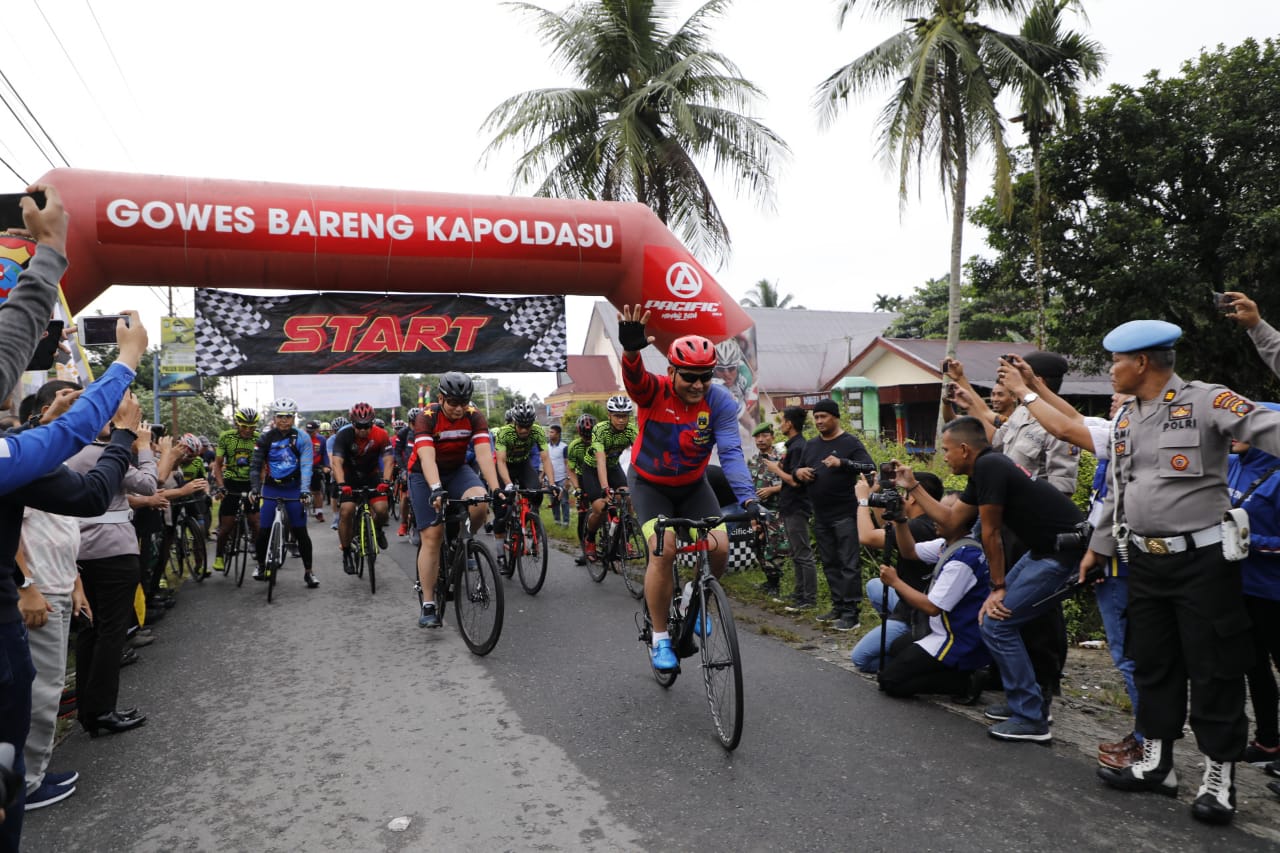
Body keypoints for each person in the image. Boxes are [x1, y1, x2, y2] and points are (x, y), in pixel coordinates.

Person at [1083, 319, 1280, 825]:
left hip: (1204, 563)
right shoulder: (1127, 417)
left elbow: (1269, 431)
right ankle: (1157, 765)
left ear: (1142, 363)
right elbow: (1118, 493)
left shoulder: (1209, 401)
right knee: (1154, 663)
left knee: (1214, 669)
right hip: (1145, 561)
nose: (1111, 371)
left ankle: (1219, 777)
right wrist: (1099, 546)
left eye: (1116, 362)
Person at [993, 358, 1145, 768]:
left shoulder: (1136, 436)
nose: (1114, 398)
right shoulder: (1119, 429)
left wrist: (1026, 391)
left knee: (1129, 653)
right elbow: (1073, 416)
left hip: (1123, 560)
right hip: (1102, 553)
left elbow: (1063, 428)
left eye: (1123, 397)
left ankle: (1148, 742)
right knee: (1126, 650)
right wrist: (1033, 387)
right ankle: (1146, 738)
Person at [895, 416, 1085, 744]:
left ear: (965, 449)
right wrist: (912, 486)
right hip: (1041, 550)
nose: (944, 457)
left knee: (998, 622)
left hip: (1063, 553)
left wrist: (998, 588)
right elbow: (952, 519)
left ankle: (1032, 718)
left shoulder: (991, 467)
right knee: (994, 619)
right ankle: (1023, 702)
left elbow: (991, 532)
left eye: (947, 450)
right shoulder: (983, 469)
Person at [615, 305, 760, 673]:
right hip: (649, 484)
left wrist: (748, 498)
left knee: (720, 546)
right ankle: (661, 638)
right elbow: (635, 383)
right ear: (672, 372)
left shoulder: (720, 402)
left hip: (693, 484)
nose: (697, 385)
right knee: (662, 551)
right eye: (689, 377)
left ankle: (693, 597)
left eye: (705, 377)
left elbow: (729, 452)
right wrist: (631, 354)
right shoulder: (655, 392)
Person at [876, 493, 992, 702]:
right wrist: (901, 520)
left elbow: (931, 607)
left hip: (956, 638)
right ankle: (957, 673)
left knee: (890, 682)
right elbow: (909, 551)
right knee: (896, 648)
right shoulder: (950, 545)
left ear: (960, 520)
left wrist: (895, 582)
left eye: (942, 513)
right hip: (941, 629)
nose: (934, 518)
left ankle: (964, 683)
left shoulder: (964, 559)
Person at [407, 372, 501, 628]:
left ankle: (463, 543)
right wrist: (436, 488)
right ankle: (428, 603)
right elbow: (426, 458)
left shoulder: (474, 415)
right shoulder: (426, 417)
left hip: (458, 470)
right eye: (453, 402)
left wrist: (497, 489)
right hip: (424, 475)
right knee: (433, 535)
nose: (459, 408)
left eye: (464, 402)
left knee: (481, 503)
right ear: (441, 398)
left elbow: (483, 455)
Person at [850, 471, 944, 674]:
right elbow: (889, 529)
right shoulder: (923, 522)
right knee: (875, 585)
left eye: (903, 493)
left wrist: (863, 500)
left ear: (914, 498)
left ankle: (908, 654)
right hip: (908, 597)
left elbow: (867, 537)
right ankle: (897, 637)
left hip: (915, 610)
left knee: (861, 659)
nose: (900, 498)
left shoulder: (918, 528)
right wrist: (877, 500)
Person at [1225, 421, 1280, 769]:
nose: (1233, 434)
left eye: (1246, 430)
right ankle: (1267, 742)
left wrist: (1251, 543)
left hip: (1273, 592)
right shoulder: (1230, 466)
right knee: (1253, 665)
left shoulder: (1277, 478)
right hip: (1237, 586)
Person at [794, 398, 874, 631]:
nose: (819, 421)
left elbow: (869, 466)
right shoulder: (810, 445)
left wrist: (842, 462)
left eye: (823, 416)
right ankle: (838, 606)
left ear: (835, 417)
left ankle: (851, 612)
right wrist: (800, 472)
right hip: (821, 514)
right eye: (816, 417)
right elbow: (796, 469)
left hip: (845, 513)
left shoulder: (849, 442)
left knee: (849, 563)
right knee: (830, 562)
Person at [249, 398, 316, 588]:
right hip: (271, 487)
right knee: (263, 530)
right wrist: (255, 488)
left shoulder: (302, 438)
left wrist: (304, 491)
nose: (284, 420)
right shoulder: (265, 438)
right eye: (280, 416)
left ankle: (309, 572)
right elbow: (255, 466)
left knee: (300, 530)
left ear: (293, 417)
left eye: (288, 416)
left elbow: (306, 465)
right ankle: (261, 566)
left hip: (293, 488)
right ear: (274, 417)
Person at [761, 406, 819, 611]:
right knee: (796, 552)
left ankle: (809, 598)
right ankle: (799, 593)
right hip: (789, 506)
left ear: (790, 423)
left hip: (797, 505)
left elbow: (795, 481)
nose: (781, 424)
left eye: (783, 420)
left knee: (803, 552)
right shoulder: (793, 445)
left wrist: (776, 469)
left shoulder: (798, 447)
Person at [331, 402, 393, 574]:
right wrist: (342, 484)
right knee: (346, 510)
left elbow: (388, 460)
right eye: (359, 426)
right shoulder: (343, 436)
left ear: (372, 423)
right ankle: (346, 552)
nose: (363, 430)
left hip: (372, 477)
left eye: (367, 426)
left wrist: (386, 482)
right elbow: (337, 462)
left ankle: (378, 530)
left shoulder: (381, 434)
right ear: (353, 423)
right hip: (349, 479)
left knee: (382, 510)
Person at [492, 402, 554, 572]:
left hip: (523, 464)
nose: (524, 430)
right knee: (500, 513)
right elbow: (501, 461)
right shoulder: (504, 433)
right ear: (514, 422)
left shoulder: (538, 431)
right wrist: (509, 484)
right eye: (521, 426)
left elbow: (546, 458)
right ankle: (500, 557)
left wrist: (553, 483)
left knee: (537, 491)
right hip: (504, 468)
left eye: (527, 426)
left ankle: (530, 519)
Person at [581, 396, 637, 560]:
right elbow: (600, 459)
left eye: (625, 416)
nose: (621, 420)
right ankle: (590, 539)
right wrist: (605, 487)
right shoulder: (600, 429)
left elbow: (641, 456)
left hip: (613, 466)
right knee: (600, 508)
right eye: (617, 416)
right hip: (592, 468)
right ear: (609, 415)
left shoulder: (632, 430)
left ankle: (624, 538)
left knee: (627, 498)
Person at [212, 408, 262, 574]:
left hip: (250, 483)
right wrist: (221, 486)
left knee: (256, 522)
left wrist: (259, 486)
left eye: (251, 427)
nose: (248, 430)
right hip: (231, 482)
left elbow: (263, 465)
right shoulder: (227, 437)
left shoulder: (258, 438)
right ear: (237, 424)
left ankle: (257, 549)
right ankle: (219, 556)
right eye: (244, 426)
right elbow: (217, 465)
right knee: (227, 526)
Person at [747, 422, 787, 596]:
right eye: (757, 437)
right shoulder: (752, 461)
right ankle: (768, 580)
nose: (761, 440)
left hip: (777, 511)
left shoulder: (782, 458)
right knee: (758, 546)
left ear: (772, 437)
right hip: (758, 511)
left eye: (764, 436)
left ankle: (776, 584)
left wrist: (772, 490)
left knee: (775, 548)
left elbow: (791, 482)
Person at [566, 413, 595, 563]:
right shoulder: (574, 446)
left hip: (597, 476)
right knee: (583, 516)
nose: (588, 440)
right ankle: (585, 551)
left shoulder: (600, 442)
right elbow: (570, 470)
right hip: (581, 479)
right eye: (585, 437)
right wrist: (577, 487)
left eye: (590, 436)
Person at [303, 419, 330, 522]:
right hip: (303, 466)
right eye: (308, 432)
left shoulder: (322, 440)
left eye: (312, 432)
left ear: (317, 430)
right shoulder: (301, 439)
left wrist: (326, 466)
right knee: (303, 490)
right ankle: (302, 511)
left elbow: (325, 454)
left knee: (316, 491)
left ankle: (319, 512)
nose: (310, 434)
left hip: (316, 467)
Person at [546, 424, 570, 525]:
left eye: (552, 432)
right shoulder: (546, 447)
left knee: (564, 501)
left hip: (561, 478)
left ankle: (565, 522)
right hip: (550, 479)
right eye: (549, 432)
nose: (549, 434)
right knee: (554, 501)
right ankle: (557, 521)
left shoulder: (564, 447)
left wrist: (568, 478)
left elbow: (567, 464)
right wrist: (542, 477)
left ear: (558, 434)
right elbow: (545, 463)